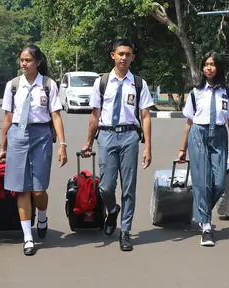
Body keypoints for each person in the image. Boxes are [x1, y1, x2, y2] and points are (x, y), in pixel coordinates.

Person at [80, 39, 154, 252]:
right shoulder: (102, 82)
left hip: (130, 136)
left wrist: (148, 146)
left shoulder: (139, 83)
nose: (124, 58)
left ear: (133, 57)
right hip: (106, 136)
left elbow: (145, 116)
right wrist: (88, 141)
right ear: (113, 55)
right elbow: (95, 115)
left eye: (128, 54)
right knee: (106, 187)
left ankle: (125, 231)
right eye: (120, 53)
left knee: (129, 187)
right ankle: (112, 210)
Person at [0, 44, 68, 256]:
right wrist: (3, 147)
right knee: (22, 189)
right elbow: (8, 118)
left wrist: (62, 145)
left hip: (41, 137)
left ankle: (43, 216)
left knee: (38, 189)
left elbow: (56, 115)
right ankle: (28, 237)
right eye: (21, 60)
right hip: (18, 136)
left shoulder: (48, 85)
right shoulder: (13, 85)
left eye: (28, 60)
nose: (24, 64)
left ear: (38, 62)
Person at [177, 51, 229, 247]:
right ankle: (206, 227)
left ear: (218, 67)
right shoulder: (196, 93)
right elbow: (189, 122)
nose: (209, 68)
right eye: (206, 64)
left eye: (212, 64)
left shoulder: (227, 92)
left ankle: (200, 213)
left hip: (219, 136)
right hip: (199, 135)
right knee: (202, 182)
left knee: (219, 183)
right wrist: (182, 148)